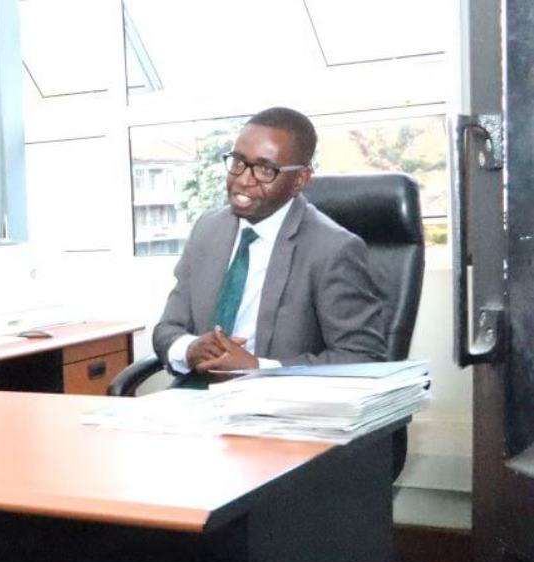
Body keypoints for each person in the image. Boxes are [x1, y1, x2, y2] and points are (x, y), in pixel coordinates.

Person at [152, 107, 387, 384]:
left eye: (265, 170)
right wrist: (189, 349)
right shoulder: (208, 229)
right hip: (195, 402)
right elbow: (167, 329)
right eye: (238, 162)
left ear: (299, 179)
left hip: (279, 409)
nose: (243, 180)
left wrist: (259, 368)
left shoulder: (332, 248)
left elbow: (362, 358)